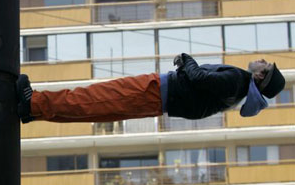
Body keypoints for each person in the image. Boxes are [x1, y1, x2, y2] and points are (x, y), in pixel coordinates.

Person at [16, 53, 286, 124]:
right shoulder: (236, 93)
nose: (261, 61)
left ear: (261, 76)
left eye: (265, 65)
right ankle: (35, 111)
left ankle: (33, 104)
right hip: (156, 101)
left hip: (153, 91)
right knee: (95, 110)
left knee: (92, 100)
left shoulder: (237, 81)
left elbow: (199, 78)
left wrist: (185, 59)